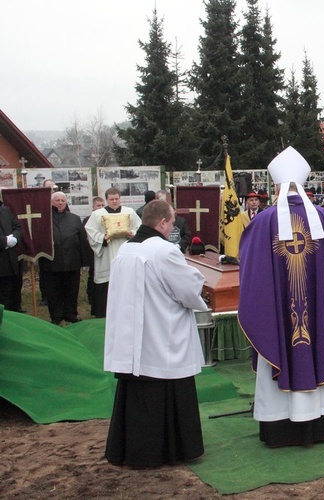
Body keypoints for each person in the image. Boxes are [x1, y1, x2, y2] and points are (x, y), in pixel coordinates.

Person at [237, 146, 324, 447]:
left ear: (275, 186)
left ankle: (280, 428)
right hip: (316, 322)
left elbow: (251, 279)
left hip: (281, 322)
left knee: (282, 338)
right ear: (303, 184)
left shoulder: (261, 223)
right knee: (314, 339)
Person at [104, 199, 208, 466]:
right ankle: (172, 450)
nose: (173, 225)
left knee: (139, 396)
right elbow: (187, 289)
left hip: (134, 338)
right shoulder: (165, 251)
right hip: (163, 336)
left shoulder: (126, 250)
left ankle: (132, 451)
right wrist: (197, 283)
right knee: (168, 388)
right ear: (162, 222)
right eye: (172, 221)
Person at [85, 187, 141, 318]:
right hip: (107, 252)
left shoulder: (130, 212)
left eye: (117, 199)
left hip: (125, 249)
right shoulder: (98, 214)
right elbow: (90, 231)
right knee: (107, 283)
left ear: (120, 198)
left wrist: (132, 234)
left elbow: (139, 227)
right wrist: (103, 238)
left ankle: (127, 311)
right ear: (107, 199)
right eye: (111, 199)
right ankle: (104, 313)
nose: (114, 202)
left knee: (127, 281)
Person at [39, 192, 88, 325]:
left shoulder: (74, 218)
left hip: (72, 261)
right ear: (51, 202)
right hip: (51, 262)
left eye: (62, 200)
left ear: (66, 202)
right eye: (57, 200)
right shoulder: (44, 219)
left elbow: (82, 239)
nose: (60, 203)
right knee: (53, 291)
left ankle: (71, 313)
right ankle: (56, 315)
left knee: (72, 290)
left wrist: (84, 260)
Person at [0, 195, 22, 312]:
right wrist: (5, 241)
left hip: (8, 262)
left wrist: (15, 238)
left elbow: (17, 226)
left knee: (6, 294)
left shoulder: (5, 210)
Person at [83, 197, 105, 310]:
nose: (100, 208)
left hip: (104, 249)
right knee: (93, 274)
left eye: (102, 205)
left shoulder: (106, 218)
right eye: (98, 206)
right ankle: (91, 295)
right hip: (92, 250)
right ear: (93, 206)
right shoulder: (88, 219)